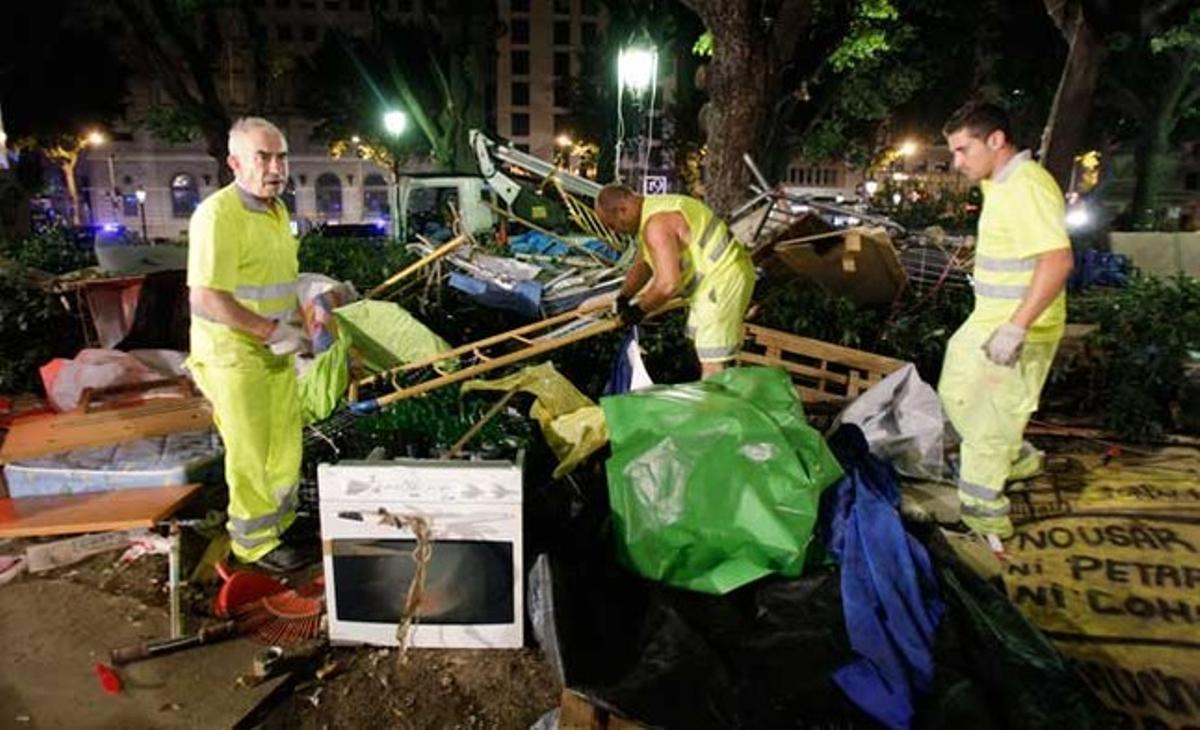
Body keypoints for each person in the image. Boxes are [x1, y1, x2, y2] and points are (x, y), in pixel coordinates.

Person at [937, 102, 1074, 542]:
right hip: (990, 320)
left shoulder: (1025, 187)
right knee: (958, 389)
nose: (957, 162)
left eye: (962, 150)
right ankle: (1012, 458)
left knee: (986, 418)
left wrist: (1016, 327)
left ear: (995, 140)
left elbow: (1057, 260)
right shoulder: (1001, 182)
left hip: (1015, 328)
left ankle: (984, 514)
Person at [187, 117, 314, 572]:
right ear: (235, 162)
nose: (276, 167)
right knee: (250, 452)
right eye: (264, 157)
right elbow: (205, 296)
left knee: (282, 445)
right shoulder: (219, 215)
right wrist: (271, 333)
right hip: (234, 357)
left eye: (281, 156)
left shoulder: (276, 211)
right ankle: (254, 547)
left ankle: (279, 526)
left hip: (273, 353)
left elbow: (278, 282)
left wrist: (300, 328)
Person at [594, 185, 755, 378]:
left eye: (613, 225)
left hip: (720, 282)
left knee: (713, 362)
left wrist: (639, 311)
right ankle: (720, 400)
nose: (617, 231)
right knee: (710, 351)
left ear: (623, 210)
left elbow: (668, 284)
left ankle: (714, 405)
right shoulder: (656, 211)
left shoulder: (656, 226)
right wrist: (624, 297)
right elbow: (643, 264)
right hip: (720, 279)